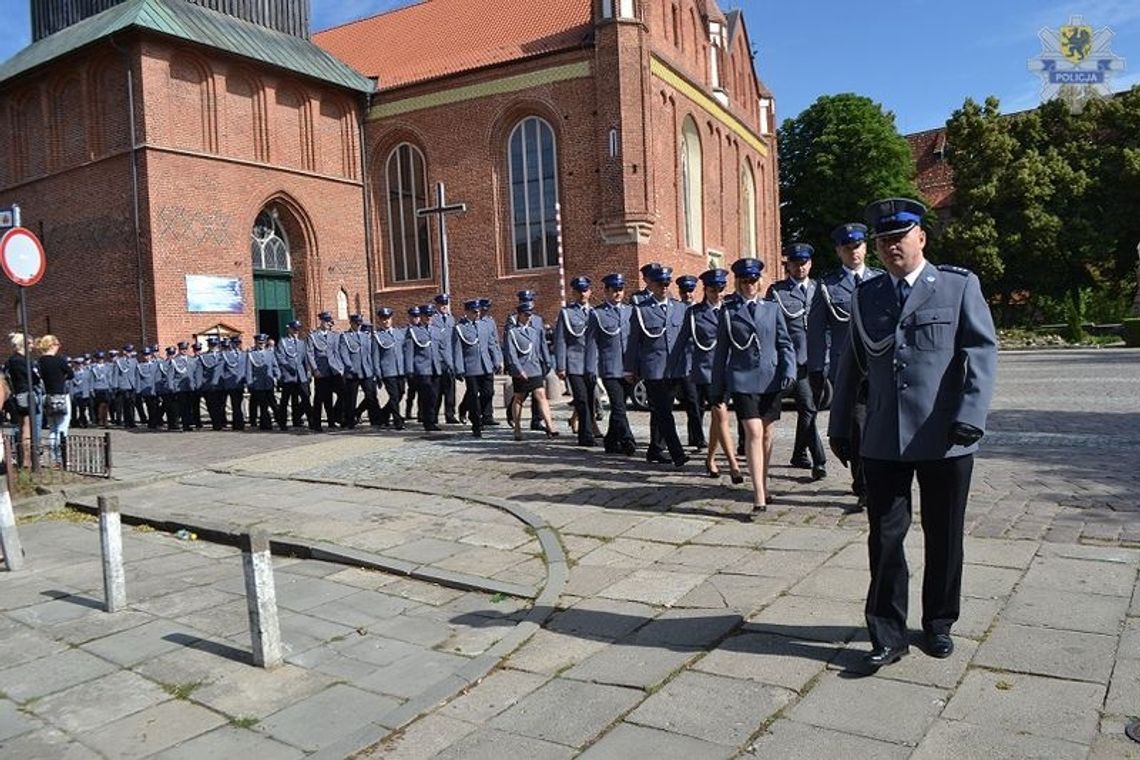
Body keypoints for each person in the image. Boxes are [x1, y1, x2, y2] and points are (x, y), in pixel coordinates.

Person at [829, 197, 997, 669]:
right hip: (884, 437)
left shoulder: (957, 286)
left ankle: (939, 622)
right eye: (882, 240)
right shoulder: (868, 295)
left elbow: (981, 353)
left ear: (921, 237)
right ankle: (887, 632)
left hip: (946, 436)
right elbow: (851, 365)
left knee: (944, 535)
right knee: (884, 538)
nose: (889, 247)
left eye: (898, 238)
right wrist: (841, 424)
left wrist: (971, 414)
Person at [808, 222, 885, 512]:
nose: (855, 252)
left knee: (880, 426)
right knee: (858, 429)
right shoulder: (827, 287)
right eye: (848, 248)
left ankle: (874, 478)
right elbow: (816, 331)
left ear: (866, 247)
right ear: (839, 251)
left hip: (879, 367)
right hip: (846, 369)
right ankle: (863, 485)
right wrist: (818, 369)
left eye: (859, 246)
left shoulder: (881, 279)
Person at [711, 258, 796, 512]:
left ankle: (763, 482)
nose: (750, 285)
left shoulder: (772, 308)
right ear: (738, 283)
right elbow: (721, 353)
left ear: (760, 282)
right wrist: (718, 387)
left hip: (770, 379)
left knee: (767, 434)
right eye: (745, 281)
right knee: (754, 432)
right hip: (742, 379)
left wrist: (789, 368)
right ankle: (758, 494)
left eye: (753, 280)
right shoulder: (729, 311)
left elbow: (785, 343)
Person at [769, 243, 827, 480]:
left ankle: (798, 453)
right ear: (788, 265)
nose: (800, 267)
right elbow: (770, 327)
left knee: (809, 410)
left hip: (817, 361)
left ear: (810, 264)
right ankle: (820, 461)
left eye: (804, 263)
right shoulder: (777, 292)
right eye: (795, 263)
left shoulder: (820, 289)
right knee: (808, 408)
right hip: (794, 361)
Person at [624, 264, 689, 468]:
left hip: (674, 368)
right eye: (659, 283)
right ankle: (677, 452)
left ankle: (655, 449)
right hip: (653, 369)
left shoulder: (679, 308)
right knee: (664, 412)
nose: (663, 287)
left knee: (662, 411)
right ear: (650, 284)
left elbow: (686, 340)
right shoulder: (641, 311)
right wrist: (630, 368)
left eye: (667, 283)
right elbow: (633, 342)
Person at [685, 268, 742, 482]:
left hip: (728, 371)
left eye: (720, 289)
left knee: (717, 420)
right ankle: (734, 465)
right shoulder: (694, 313)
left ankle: (709, 459)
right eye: (712, 290)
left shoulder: (730, 310)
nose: (717, 294)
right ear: (705, 290)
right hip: (707, 372)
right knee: (722, 415)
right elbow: (683, 341)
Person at [590, 273, 636, 456]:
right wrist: (591, 368)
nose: (618, 293)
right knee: (618, 406)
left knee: (620, 407)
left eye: (620, 290)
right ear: (606, 291)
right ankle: (628, 440)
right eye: (614, 290)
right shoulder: (598, 314)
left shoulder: (630, 311)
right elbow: (592, 343)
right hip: (610, 368)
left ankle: (610, 441)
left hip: (628, 368)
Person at [555, 276, 598, 447]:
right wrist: (560, 365)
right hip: (574, 362)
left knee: (590, 399)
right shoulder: (566, 313)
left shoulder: (595, 312)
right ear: (573, 292)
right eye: (579, 291)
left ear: (590, 292)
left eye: (585, 290)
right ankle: (585, 435)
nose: (582, 294)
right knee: (580, 399)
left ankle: (587, 429)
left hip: (591, 363)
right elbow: (560, 340)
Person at [504, 301, 558, 441]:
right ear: (520, 315)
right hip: (521, 370)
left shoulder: (535, 331)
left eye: (530, 315)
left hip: (534, 368)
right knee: (519, 398)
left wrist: (546, 364)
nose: (529, 317)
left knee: (541, 395)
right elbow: (511, 353)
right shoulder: (513, 333)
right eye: (526, 315)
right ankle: (517, 429)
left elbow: (541, 348)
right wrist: (518, 369)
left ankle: (550, 426)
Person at [452, 299, 496, 438]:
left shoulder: (485, 325)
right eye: (474, 312)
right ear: (467, 312)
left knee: (488, 392)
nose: (477, 314)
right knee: (473, 395)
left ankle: (468, 409)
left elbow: (492, 344)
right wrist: (459, 369)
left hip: (486, 365)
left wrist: (497, 360)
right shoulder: (460, 328)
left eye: (478, 311)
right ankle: (476, 423)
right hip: (471, 367)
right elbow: (457, 350)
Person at [675, 274, 705, 451]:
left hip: (700, 362)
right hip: (684, 364)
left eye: (690, 291)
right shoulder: (677, 310)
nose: (687, 294)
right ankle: (698, 438)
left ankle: (694, 436)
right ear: (679, 292)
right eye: (684, 291)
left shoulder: (700, 310)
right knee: (692, 401)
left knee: (699, 403)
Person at [404, 305, 445, 431]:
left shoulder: (436, 331)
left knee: (435, 396)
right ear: (421, 316)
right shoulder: (413, 332)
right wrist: (409, 369)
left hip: (435, 368)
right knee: (427, 396)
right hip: (422, 369)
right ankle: (428, 422)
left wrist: (450, 364)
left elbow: (442, 350)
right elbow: (409, 352)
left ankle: (432, 419)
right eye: (426, 315)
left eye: (430, 315)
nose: (429, 318)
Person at [37, 335, 73, 464]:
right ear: (52, 345)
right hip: (61, 395)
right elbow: (71, 374)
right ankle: (61, 457)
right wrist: (61, 379)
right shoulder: (58, 360)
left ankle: (53, 457)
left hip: (47, 396)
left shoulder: (39, 361)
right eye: (57, 344)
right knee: (62, 427)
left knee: (52, 428)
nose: (59, 347)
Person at [307, 312, 343, 431]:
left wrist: (340, 367)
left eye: (330, 321)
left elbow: (336, 352)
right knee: (320, 398)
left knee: (342, 393)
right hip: (321, 371)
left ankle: (333, 418)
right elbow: (310, 354)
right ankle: (317, 424)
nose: (329, 324)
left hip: (333, 370)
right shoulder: (313, 336)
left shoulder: (334, 335)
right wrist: (315, 369)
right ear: (321, 321)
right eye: (326, 321)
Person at [370, 307, 405, 429]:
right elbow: (375, 356)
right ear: (380, 320)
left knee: (401, 393)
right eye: (383, 319)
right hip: (388, 371)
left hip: (400, 369)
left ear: (391, 319)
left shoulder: (399, 333)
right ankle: (397, 421)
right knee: (394, 396)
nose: (386, 321)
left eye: (388, 318)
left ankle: (383, 414)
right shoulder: (377, 336)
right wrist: (378, 373)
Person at [275, 320, 312, 430]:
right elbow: (280, 357)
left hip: (301, 375)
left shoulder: (301, 343)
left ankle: (311, 421)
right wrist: (287, 367)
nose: (296, 331)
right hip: (289, 376)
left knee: (306, 398)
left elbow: (305, 360)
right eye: (294, 329)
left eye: (298, 329)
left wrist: (308, 373)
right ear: (289, 329)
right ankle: (282, 422)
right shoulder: (283, 342)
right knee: (285, 400)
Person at [338, 314, 370, 430]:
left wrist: (371, 368)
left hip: (366, 370)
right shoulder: (345, 337)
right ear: (351, 323)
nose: (358, 325)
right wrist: (349, 367)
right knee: (351, 398)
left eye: (360, 323)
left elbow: (368, 353)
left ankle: (359, 412)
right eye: (356, 323)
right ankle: (349, 420)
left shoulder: (364, 336)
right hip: (352, 372)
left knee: (371, 395)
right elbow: (344, 353)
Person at [431, 294, 460, 424]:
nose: (444, 306)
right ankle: (434, 415)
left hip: (450, 359)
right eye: (441, 304)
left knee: (450, 390)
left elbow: (453, 341)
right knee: (436, 390)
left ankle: (450, 414)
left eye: (445, 304)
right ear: (437, 305)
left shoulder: (451, 319)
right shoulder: (433, 319)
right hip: (438, 359)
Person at [246, 334, 280, 431]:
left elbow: (274, 366)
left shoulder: (270, 353)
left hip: (268, 383)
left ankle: (280, 421)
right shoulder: (251, 354)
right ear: (256, 343)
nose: (261, 344)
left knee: (273, 403)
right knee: (262, 405)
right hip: (258, 384)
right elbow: (249, 370)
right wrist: (249, 382)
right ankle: (265, 424)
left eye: (263, 343)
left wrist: (277, 377)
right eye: (259, 343)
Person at [136, 347, 161, 430]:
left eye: (148, 355)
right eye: (145, 355)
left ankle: (156, 421)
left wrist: (158, 388)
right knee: (149, 406)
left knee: (156, 406)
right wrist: (138, 390)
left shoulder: (156, 365)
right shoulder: (140, 366)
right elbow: (138, 379)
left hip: (154, 388)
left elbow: (158, 377)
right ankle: (152, 423)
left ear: (151, 355)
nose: (147, 357)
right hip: (145, 389)